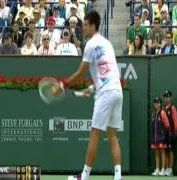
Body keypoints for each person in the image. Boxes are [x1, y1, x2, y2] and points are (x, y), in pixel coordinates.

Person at [58, 10, 123, 180]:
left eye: (86, 25)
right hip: (117, 91)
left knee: (95, 134)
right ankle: (118, 176)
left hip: (106, 93)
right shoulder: (107, 44)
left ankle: (84, 176)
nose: (84, 28)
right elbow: (107, 72)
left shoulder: (91, 44)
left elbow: (80, 73)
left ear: (93, 25)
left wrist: (64, 84)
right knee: (113, 136)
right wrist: (93, 88)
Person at [151, 97, 170, 176]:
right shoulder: (153, 114)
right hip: (155, 137)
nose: (157, 104)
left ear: (160, 104)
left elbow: (167, 124)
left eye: (158, 103)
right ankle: (157, 169)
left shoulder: (162, 113)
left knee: (162, 152)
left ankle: (163, 169)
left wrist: (163, 133)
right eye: (155, 103)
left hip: (161, 137)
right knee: (156, 153)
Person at [163, 90, 177, 176]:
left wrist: (174, 132)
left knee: (171, 151)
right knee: (166, 151)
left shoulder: (172, 108)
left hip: (171, 133)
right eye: (165, 97)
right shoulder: (163, 109)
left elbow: (176, 121)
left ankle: (170, 169)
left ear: (171, 98)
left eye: (168, 97)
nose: (166, 98)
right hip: (164, 134)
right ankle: (166, 168)